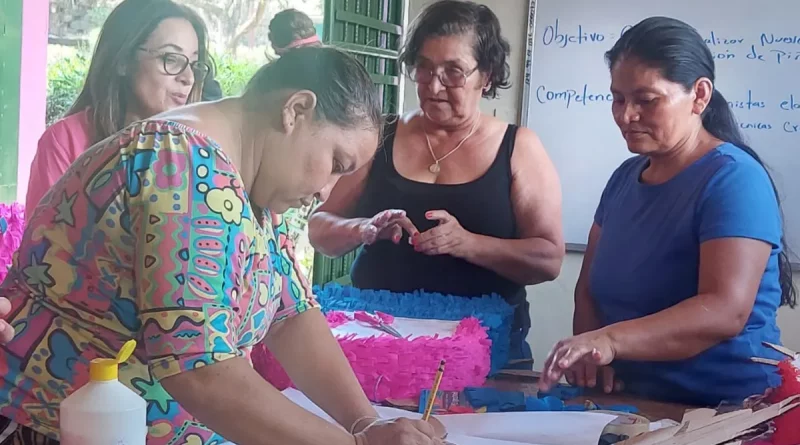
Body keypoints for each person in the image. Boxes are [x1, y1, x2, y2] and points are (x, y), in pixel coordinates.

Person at [0, 47, 444, 445]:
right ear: (296, 110)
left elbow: (290, 315)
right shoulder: (183, 167)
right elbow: (202, 372)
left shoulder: (247, 189)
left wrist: (365, 423)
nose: (325, 192)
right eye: (334, 164)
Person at [538, 17, 797, 406]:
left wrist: (609, 340)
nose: (626, 115)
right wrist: (593, 360)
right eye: (619, 98)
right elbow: (588, 291)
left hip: (720, 409)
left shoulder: (735, 180)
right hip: (627, 404)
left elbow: (724, 310)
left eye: (646, 100)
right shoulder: (625, 177)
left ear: (699, 96)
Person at [308, 0, 565, 366]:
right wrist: (363, 229)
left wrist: (468, 244)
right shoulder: (381, 134)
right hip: (379, 343)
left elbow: (548, 259)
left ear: (487, 75)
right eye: (424, 69)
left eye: (454, 72)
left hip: (483, 352)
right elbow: (319, 229)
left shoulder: (518, 148)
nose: (434, 85)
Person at [24, 0, 210, 221]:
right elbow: (41, 245)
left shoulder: (198, 149)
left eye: (194, 65)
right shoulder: (65, 141)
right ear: (123, 60)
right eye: (170, 59)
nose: (187, 78)